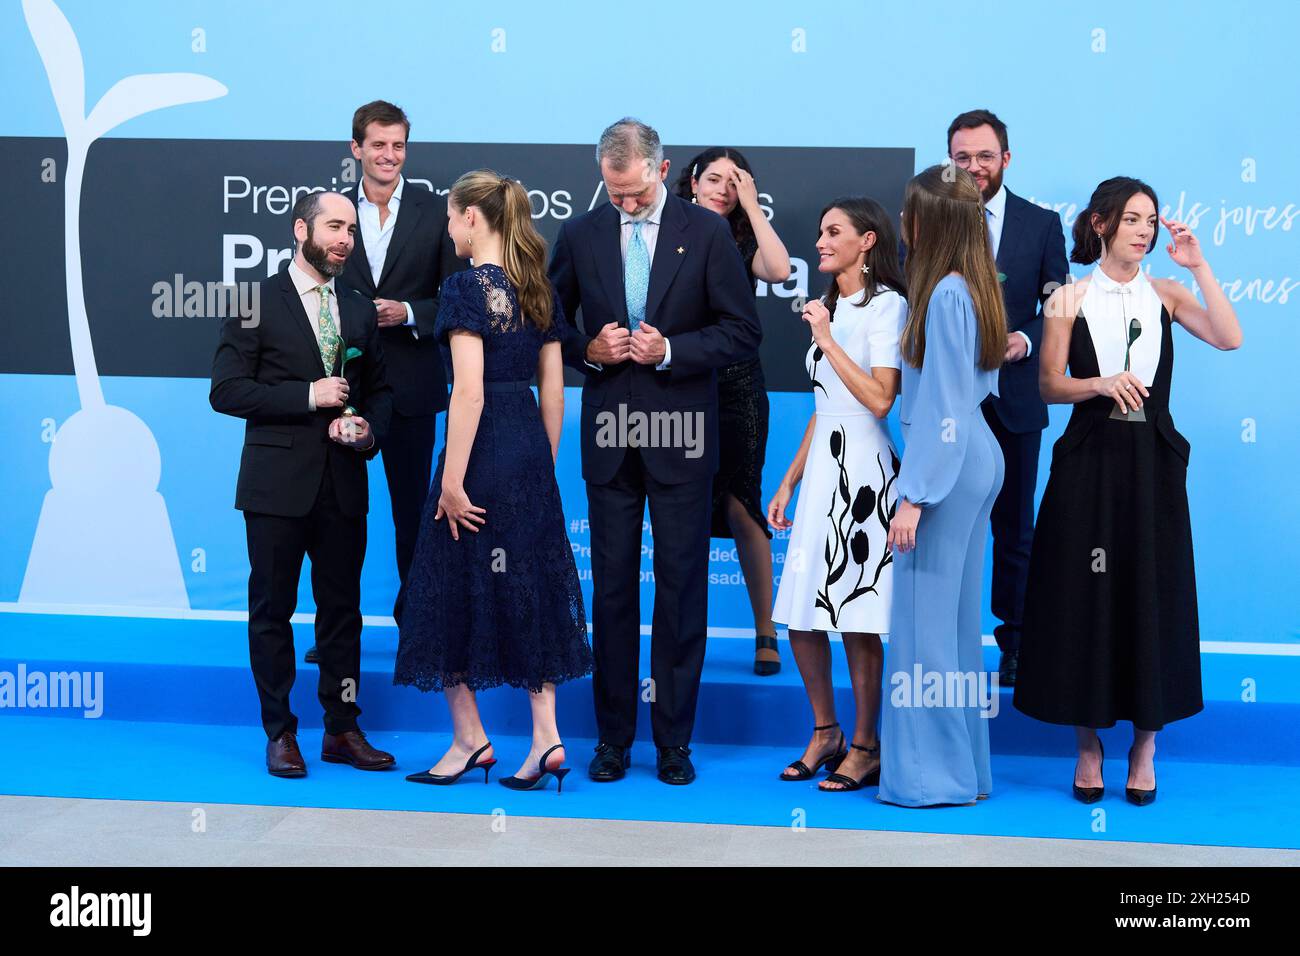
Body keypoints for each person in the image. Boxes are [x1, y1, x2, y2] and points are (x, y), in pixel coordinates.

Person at [1013, 177, 1241, 806]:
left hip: (1152, 463)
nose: (1145, 230)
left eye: (1152, 220)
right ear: (1102, 224)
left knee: (1151, 592)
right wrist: (1100, 382)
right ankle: (1088, 746)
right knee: (1082, 595)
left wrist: (1199, 265)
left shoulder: (1167, 292)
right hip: (1088, 461)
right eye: (1134, 218)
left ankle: (1145, 745)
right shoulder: (1068, 298)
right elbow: (1051, 385)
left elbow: (1229, 336)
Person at [549, 118, 761, 786]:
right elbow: (549, 317)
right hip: (610, 438)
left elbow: (742, 332)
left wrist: (672, 350)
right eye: (615, 195)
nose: (626, 205)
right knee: (609, 591)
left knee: (681, 588)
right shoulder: (581, 231)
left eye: (636, 193)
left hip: (685, 438)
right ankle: (612, 738)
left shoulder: (707, 234)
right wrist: (589, 347)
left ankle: (675, 741)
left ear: (663, 171)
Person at [392, 170, 591, 792]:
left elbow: (469, 393)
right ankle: (546, 738)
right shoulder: (539, 291)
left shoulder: (462, 290)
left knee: (441, 587)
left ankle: (469, 740)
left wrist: (452, 482)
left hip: (477, 456)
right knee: (529, 585)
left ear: (473, 219)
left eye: (451, 218)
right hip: (529, 450)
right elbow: (555, 392)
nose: (448, 229)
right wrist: (540, 465)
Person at [210, 191, 396, 777]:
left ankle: (342, 727)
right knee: (272, 608)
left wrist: (367, 431)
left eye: (351, 229)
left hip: (343, 483)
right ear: (301, 229)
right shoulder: (254, 300)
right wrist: (304, 396)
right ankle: (280, 731)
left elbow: (383, 392)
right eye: (333, 226)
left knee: (342, 611)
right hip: (275, 486)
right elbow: (226, 390)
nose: (344, 238)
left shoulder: (361, 309)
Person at [298, 101, 464, 665]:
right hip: (344, 384)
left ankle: (417, 628)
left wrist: (411, 312)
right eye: (378, 145)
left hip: (413, 385)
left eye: (398, 146)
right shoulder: (334, 212)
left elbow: (457, 298)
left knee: (413, 510)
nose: (388, 155)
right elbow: (311, 290)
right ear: (356, 149)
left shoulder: (435, 210)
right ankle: (334, 632)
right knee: (337, 515)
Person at [768, 197, 906, 791]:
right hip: (823, 467)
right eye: (821, 231)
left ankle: (866, 744)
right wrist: (790, 477)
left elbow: (879, 400)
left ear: (867, 241)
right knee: (800, 612)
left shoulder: (888, 306)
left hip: (866, 474)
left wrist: (826, 338)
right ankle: (825, 732)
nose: (820, 241)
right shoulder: (828, 305)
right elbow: (826, 407)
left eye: (833, 232)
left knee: (856, 616)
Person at [881, 164, 1007, 808]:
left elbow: (944, 406)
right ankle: (962, 773)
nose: (902, 223)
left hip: (947, 469)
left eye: (908, 213)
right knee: (953, 625)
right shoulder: (970, 288)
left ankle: (931, 778)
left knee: (923, 627)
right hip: (972, 459)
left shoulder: (946, 295)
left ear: (925, 222)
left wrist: (915, 493)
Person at [947, 109, 1068, 686]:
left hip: (1016, 399)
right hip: (946, 404)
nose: (973, 168)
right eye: (962, 157)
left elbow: (1060, 307)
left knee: (1015, 526)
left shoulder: (1041, 225)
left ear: (1006, 159)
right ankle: (944, 642)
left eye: (984, 156)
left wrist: (1023, 339)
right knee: (945, 522)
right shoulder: (931, 220)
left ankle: (1016, 642)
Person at [673, 147, 792, 676]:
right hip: (678, 386)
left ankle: (766, 630)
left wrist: (752, 206)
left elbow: (782, 268)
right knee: (686, 511)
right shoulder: (668, 231)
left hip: (739, 386)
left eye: (735, 181)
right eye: (714, 178)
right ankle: (683, 633)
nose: (723, 188)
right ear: (692, 182)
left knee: (743, 505)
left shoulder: (742, 240)